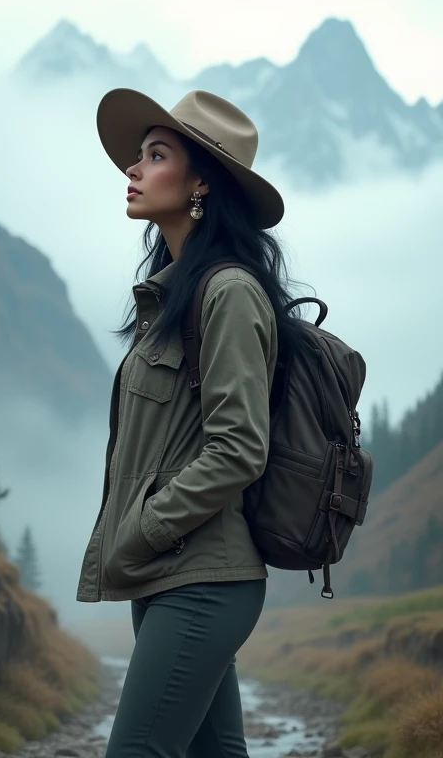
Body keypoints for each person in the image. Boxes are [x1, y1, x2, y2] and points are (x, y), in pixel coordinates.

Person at [76, 87, 305, 758]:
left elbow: (239, 451)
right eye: (138, 156)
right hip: (167, 573)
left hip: (201, 579)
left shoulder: (229, 292)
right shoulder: (170, 296)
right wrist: (143, 545)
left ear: (201, 181)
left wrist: (143, 529)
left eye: (155, 155)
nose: (133, 169)